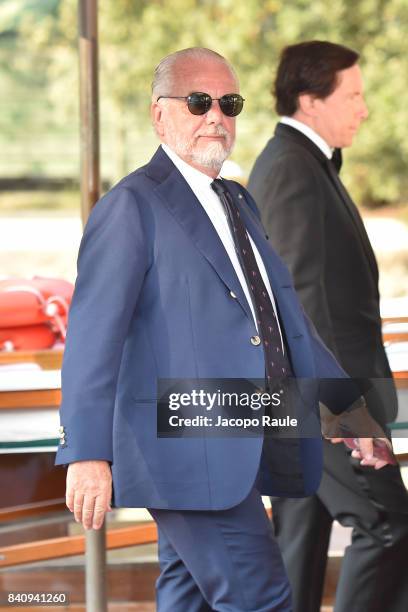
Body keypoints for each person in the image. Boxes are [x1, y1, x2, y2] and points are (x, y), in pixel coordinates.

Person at [56, 47, 390, 612]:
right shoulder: (130, 206)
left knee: (190, 598)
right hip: (186, 448)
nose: (216, 115)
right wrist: (85, 452)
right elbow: (92, 336)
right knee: (262, 597)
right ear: (160, 114)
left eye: (228, 103)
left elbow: (286, 318)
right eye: (198, 101)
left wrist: (346, 413)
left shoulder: (237, 200)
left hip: (244, 432)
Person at [248, 40, 408, 612]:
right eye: (354, 95)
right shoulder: (292, 168)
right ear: (311, 101)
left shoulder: (303, 162)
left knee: (299, 546)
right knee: (390, 526)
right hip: (326, 406)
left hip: (311, 404)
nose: (364, 109)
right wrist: (344, 412)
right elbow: (299, 307)